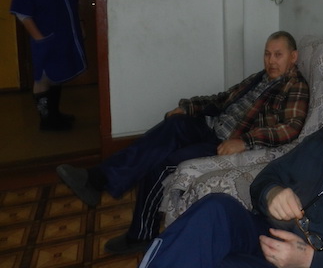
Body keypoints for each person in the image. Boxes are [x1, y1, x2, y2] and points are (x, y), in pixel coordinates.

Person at [56, 31, 309, 255]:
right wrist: (188, 107)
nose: (271, 60)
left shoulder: (294, 86)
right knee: (173, 124)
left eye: (278, 55)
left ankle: (140, 234)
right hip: (210, 126)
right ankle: (97, 178)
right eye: (267, 54)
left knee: (163, 163)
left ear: (293, 56)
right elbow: (221, 100)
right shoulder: (259, 78)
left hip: (224, 142)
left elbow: (290, 128)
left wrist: (244, 141)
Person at [138, 67, 323, 268]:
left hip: (310, 261)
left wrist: (310, 260)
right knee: (216, 207)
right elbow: (266, 178)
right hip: (265, 234)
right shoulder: (320, 141)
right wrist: (272, 193)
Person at [10, 0, 87, 131]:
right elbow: (23, 14)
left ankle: (55, 113)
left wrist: (80, 23)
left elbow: (73, 1)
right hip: (44, 37)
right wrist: (39, 38)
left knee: (57, 74)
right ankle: (47, 120)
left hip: (66, 34)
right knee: (42, 78)